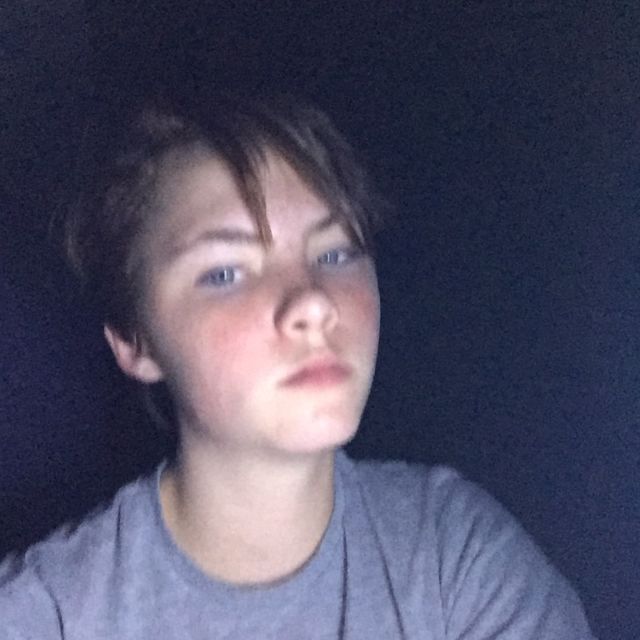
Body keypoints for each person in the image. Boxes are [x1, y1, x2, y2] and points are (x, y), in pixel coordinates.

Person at [0, 92, 596, 638]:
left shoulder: (455, 556)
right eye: (225, 273)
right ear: (136, 344)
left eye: (335, 253)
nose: (313, 302)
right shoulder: (45, 615)